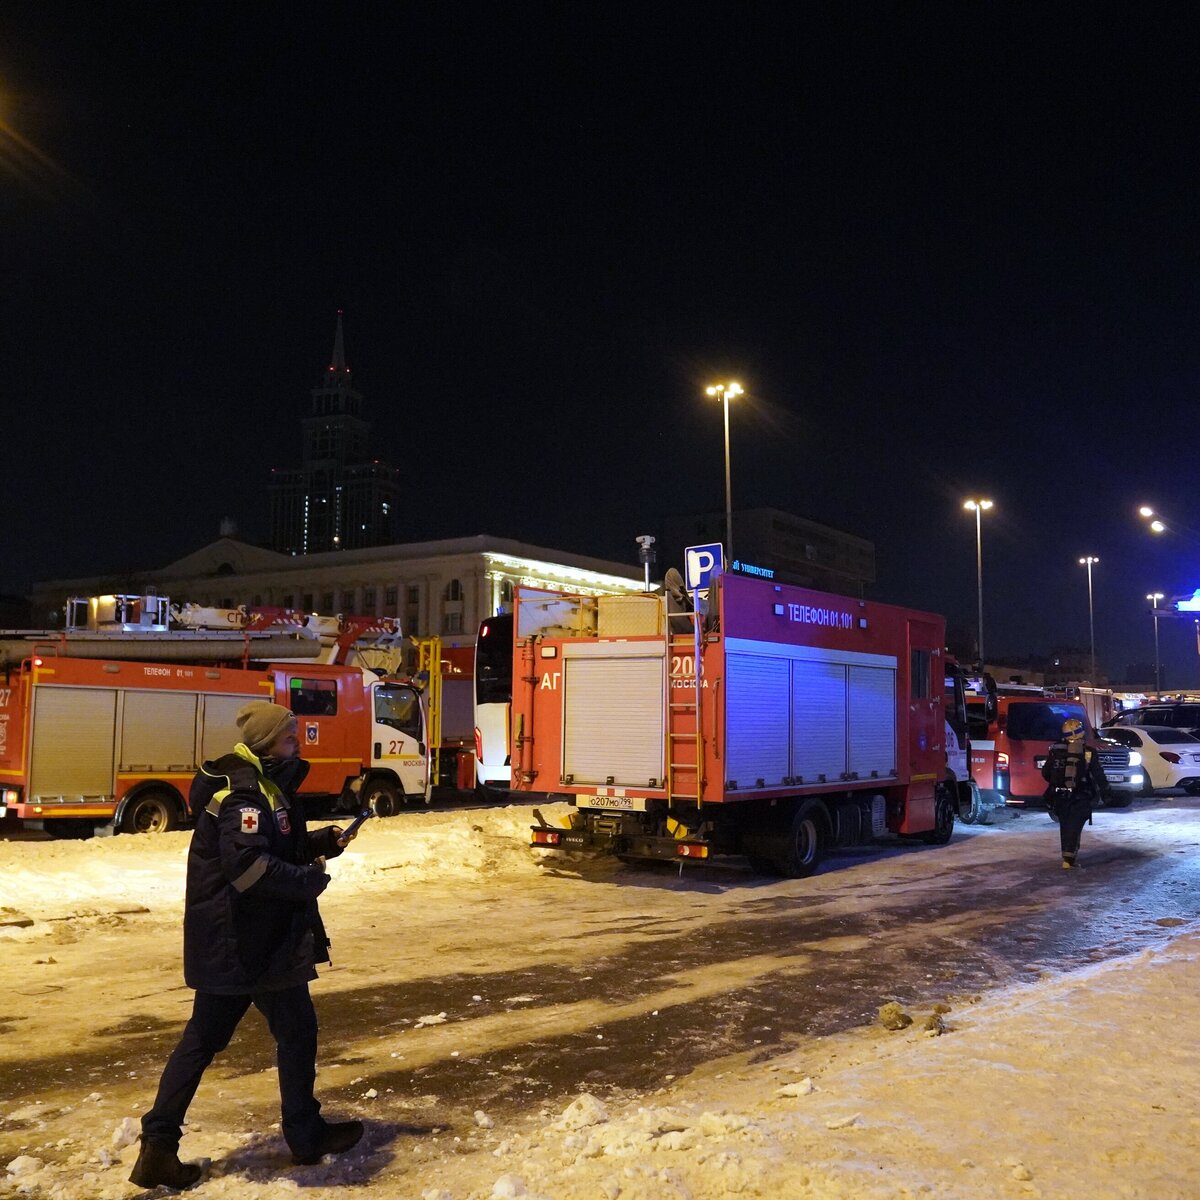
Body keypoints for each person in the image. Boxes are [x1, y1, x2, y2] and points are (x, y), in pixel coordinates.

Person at [130, 701, 363, 1189]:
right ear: (266, 743)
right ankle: (305, 1135)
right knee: (294, 1032)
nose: (297, 743)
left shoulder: (258, 784)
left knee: (204, 1040)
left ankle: (158, 1148)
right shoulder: (245, 794)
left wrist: (319, 842)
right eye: (289, 738)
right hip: (249, 944)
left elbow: (265, 850)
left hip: (237, 941)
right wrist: (308, 881)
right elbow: (249, 870)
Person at [1040, 716, 1106, 870]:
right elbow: (1098, 774)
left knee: (1065, 825)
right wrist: (1105, 790)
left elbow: (1046, 773)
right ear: (1081, 732)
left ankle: (1067, 857)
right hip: (1080, 794)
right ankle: (1069, 858)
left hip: (1059, 795)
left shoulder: (1055, 750)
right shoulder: (1088, 752)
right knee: (1075, 827)